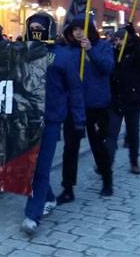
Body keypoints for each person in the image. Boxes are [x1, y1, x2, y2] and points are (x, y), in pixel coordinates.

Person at [21, 12, 85, 235]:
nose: (36, 30)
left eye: (40, 26)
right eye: (33, 26)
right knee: (30, 166)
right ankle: (47, 197)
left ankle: (32, 215)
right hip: (27, 118)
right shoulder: (22, 52)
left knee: (42, 166)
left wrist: (79, 120)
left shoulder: (63, 56)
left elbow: (75, 89)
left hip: (50, 119)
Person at [57, 13, 115, 204]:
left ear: (89, 29)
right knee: (70, 149)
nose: (77, 33)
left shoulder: (103, 46)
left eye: (81, 29)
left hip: (96, 107)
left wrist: (91, 50)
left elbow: (108, 68)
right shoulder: (69, 51)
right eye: (74, 29)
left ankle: (107, 180)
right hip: (74, 108)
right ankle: (67, 188)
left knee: (98, 146)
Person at [107, 24, 140, 174]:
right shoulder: (113, 53)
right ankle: (108, 162)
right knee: (111, 133)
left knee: (133, 133)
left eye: (119, 40)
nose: (117, 43)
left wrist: (133, 34)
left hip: (133, 99)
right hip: (116, 99)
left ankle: (134, 162)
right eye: (115, 40)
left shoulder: (136, 51)